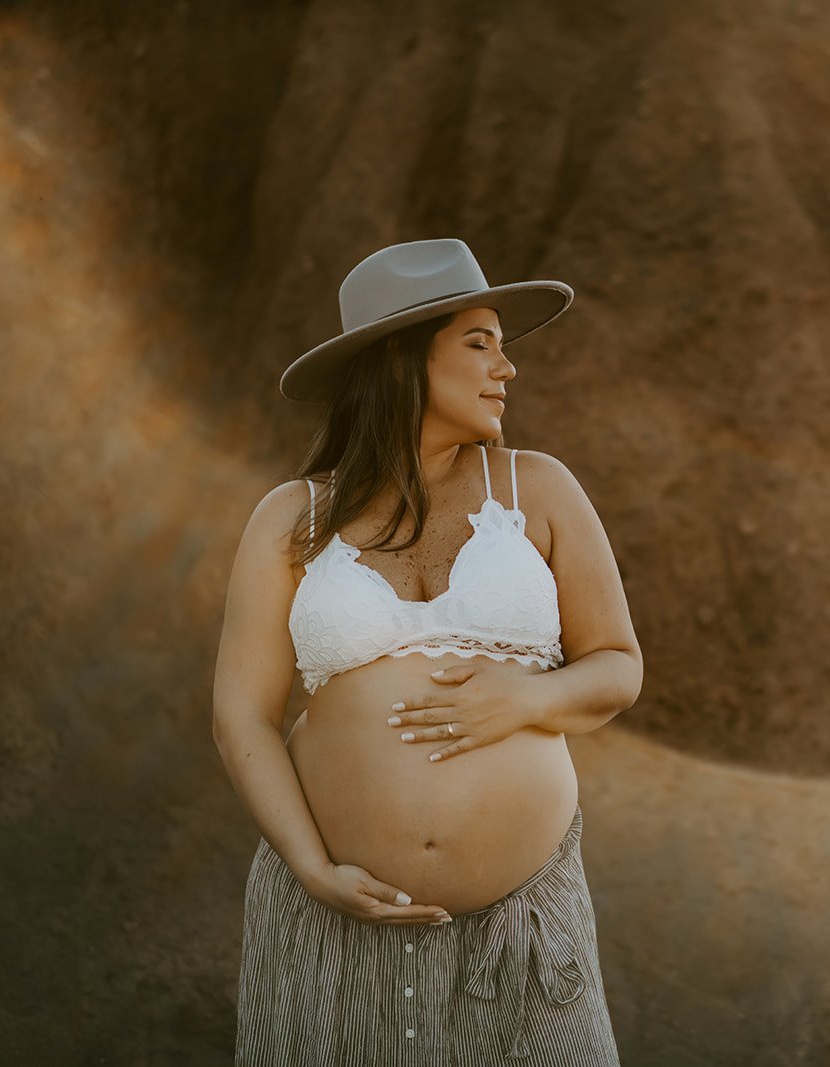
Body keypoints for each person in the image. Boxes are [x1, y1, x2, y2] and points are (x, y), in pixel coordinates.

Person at [213, 238, 640, 1065]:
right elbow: (242, 717)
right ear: (403, 359)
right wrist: (312, 869)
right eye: (480, 342)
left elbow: (617, 662)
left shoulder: (540, 487)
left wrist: (527, 699)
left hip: (520, 921)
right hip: (334, 915)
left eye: (502, 346)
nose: (505, 368)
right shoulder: (290, 517)